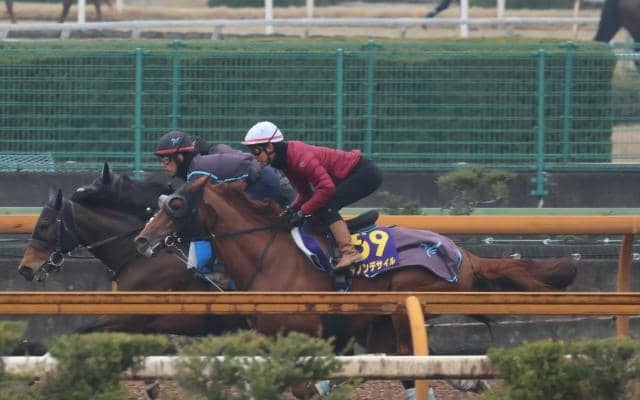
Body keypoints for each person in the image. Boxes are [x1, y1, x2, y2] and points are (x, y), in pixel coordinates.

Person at [241, 121, 383, 271]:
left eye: (256, 151)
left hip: (364, 173)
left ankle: (349, 252)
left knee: (326, 206)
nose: (254, 157)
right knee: (317, 212)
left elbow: (326, 188)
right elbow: (305, 194)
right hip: (350, 175)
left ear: (270, 147)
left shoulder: (299, 157)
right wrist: (290, 210)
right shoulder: (285, 161)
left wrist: (302, 212)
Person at [155, 130, 295, 275]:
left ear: (179, 158)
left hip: (263, 183)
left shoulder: (196, 173)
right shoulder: (196, 169)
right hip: (261, 179)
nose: (163, 165)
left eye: (166, 160)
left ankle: (230, 273)